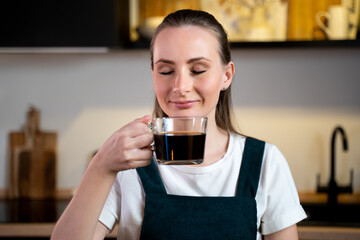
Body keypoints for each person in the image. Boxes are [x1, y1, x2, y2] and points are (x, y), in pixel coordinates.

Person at [51, 9, 306, 240]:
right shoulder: (124, 166)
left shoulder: (265, 162)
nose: (180, 87)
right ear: (153, 74)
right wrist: (100, 166)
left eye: (197, 69)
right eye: (165, 71)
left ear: (226, 76)